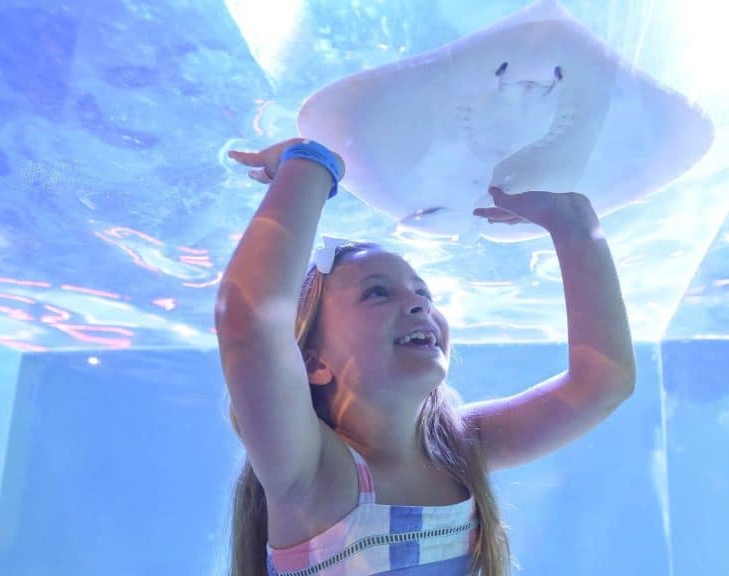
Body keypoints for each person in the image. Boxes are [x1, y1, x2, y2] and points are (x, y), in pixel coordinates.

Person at [216, 138, 636, 576]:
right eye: (377, 292)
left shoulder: (458, 449)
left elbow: (602, 383)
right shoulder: (314, 472)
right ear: (312, 363)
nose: (419, 305)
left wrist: (574, 226)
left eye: (424, 293)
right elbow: (251, 324)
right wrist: (310, 163)